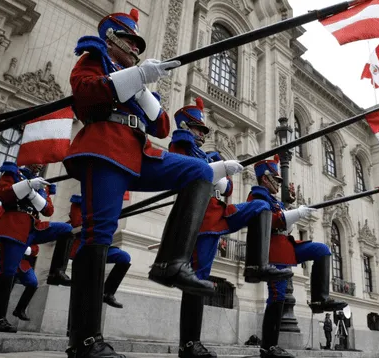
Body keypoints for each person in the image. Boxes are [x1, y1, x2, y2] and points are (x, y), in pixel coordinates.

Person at [63, 9, 244, 357]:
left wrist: (144, 88)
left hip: (137, 149)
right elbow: (83, 93)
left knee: (200, 172)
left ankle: (171, 263)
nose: (135, 47)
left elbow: (160, 127)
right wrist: (131, 78)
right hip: (105, 146)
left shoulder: (133, 76)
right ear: (112, 38)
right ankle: (84, 340)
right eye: (129, 40)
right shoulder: (94, 57)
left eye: (136, 43)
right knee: (98, 233)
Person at [169, 98, 292, 358]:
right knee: (198, 278)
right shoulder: (181, 146)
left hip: (218, 214)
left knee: (260, 209)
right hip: (199, 218)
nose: (202, 134)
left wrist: (221, 175)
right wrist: (218, 169)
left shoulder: (203, 153)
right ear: (184, 126)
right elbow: (185, 174)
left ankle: (256, 265)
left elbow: (227, 189)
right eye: (197, 128)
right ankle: (189, 344)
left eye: (203, 130)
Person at [247, 155, 347, 358]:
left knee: (322, 250)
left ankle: (320, 299)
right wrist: (296, 213)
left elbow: (285, 224)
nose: (279, 183)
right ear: (266, 178)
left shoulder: (273, 201)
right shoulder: (256, 196)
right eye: (277, 178)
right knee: (277, 296)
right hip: (272, 251)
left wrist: (291, 208)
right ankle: (268, 347)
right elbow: (272, 222)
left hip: (286, 246)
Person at [0, 162, 73, 333]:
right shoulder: (14, 173)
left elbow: (48, 210)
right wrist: (26, 185)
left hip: (34, 226)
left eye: (43, 162)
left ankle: (57, 271)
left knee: (66, 230)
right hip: (15, 223)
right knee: (8, 272)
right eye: (38, 160)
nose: (40, 164)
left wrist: (34, 193)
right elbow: (3, 195)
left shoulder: (41, 183)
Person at [12, 244, 40, 321]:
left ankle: (20, 310)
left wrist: (28, 249)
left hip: (23, 264)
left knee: (33, 283)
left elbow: (35, 249)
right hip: (9, 260)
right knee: (6, 287)